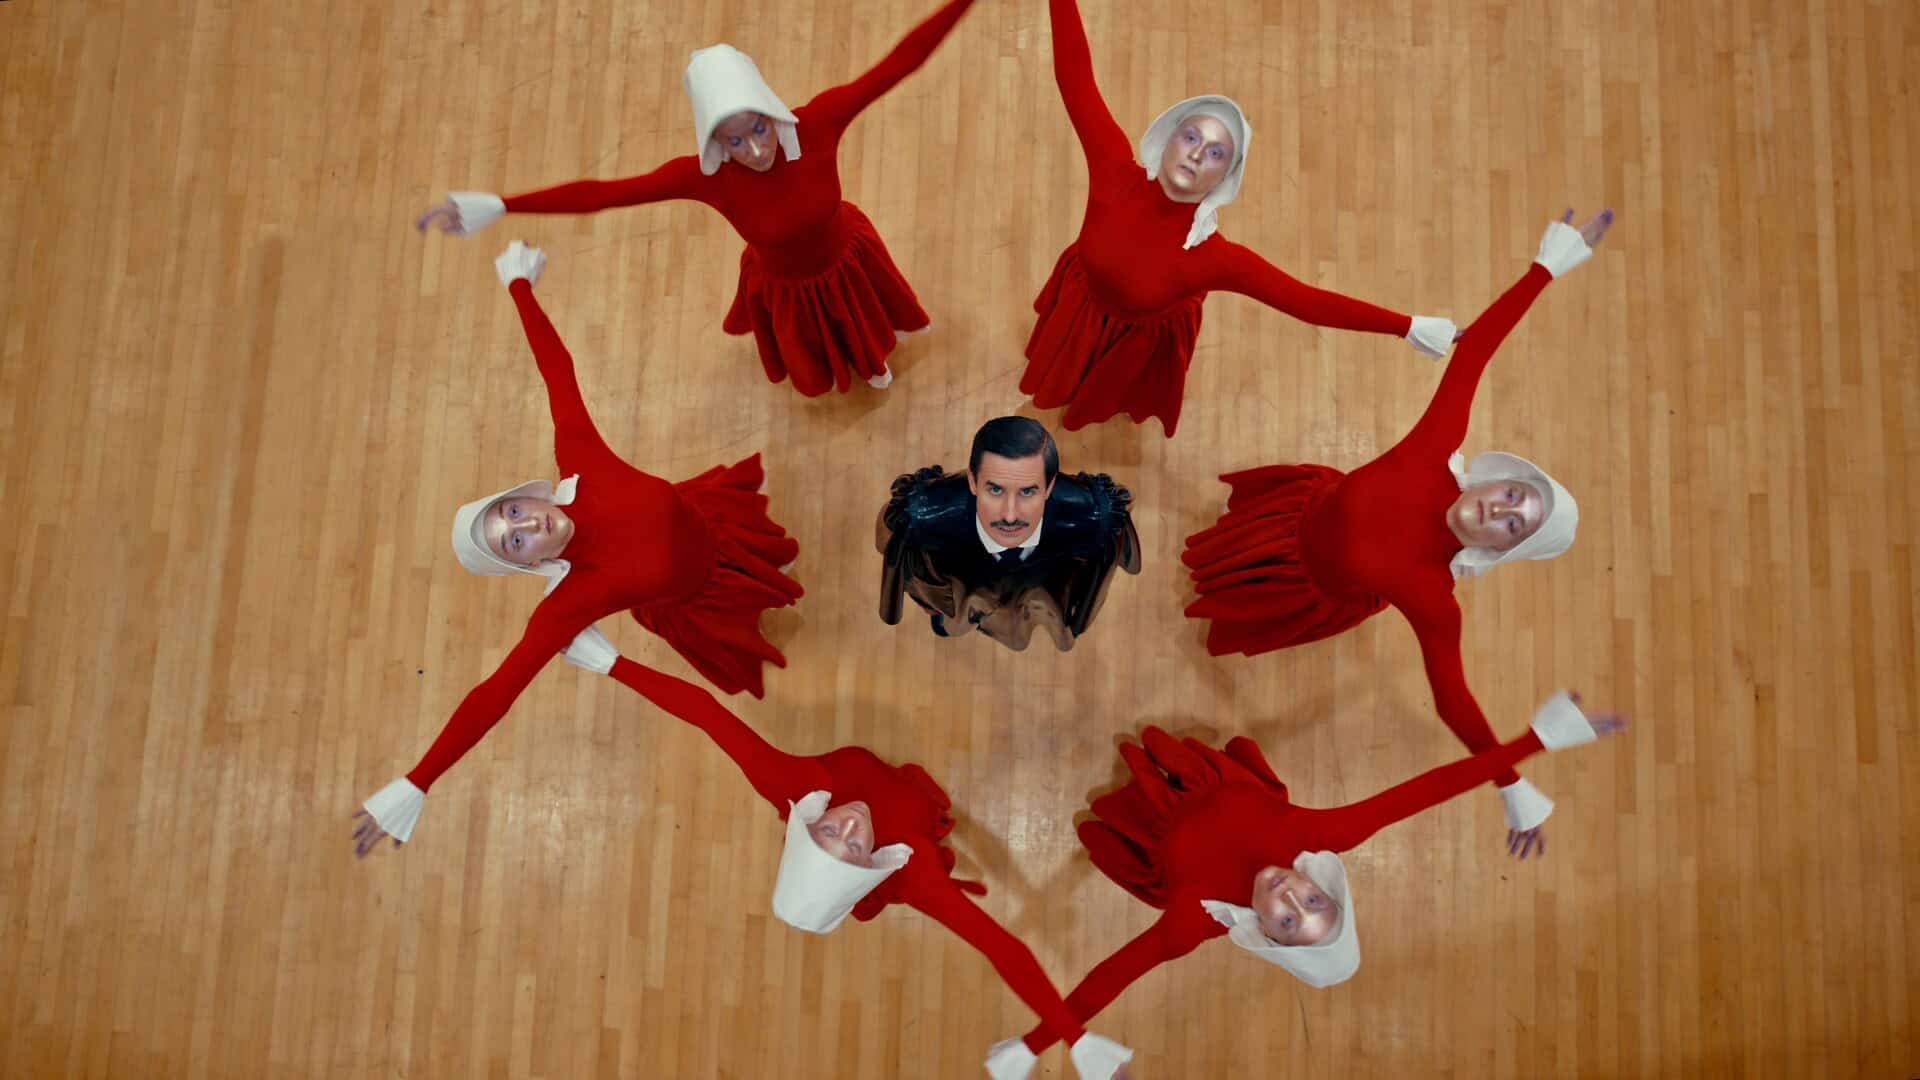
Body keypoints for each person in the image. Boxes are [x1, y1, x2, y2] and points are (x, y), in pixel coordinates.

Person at [1184, 210, 1615, 852]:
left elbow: (1453, 701)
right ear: (1499, 479)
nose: (1500, 512)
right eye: (1513, 497)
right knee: (1208, 548)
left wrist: (1510, 782)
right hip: (1291, 514)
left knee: (1208, 595)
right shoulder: (1435, 449)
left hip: (1297, 585)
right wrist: (1546, 268)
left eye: (1514, 526)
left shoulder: (1434, 598)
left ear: (1503, 549)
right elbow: (1477, 349)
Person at [351, 242, 802, 851]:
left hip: (715, 522)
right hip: (705, 594)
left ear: (523, 497)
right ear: (528, 562)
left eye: (512, 512)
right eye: (514, 541)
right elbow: (494, 694)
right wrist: (417, 782)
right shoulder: (570, 602)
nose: (527, 525)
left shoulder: (582, 462)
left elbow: (555, 372)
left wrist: (519, 288)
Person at [553, 629, 1137, 1080]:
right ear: (870, 864)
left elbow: (705, 713)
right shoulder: (912, 872)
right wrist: (1077, 1041)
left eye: (827, 832)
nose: (851, 825)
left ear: (806, 825)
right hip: (916, 813)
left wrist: (610, 662)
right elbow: (1001, 947)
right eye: (854, 847)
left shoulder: (792, 785)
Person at [984, 696, 1627, 1076]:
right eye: (1314, 900)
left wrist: (1043, 1044)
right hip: (1216, 784)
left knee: (1120, 806)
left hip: (1161, 825)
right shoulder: (1316, 838)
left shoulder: (1195, 920)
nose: (1288, 891)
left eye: (1289, 919)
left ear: (1267, 936)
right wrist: (1539, 741)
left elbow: (1111, 976)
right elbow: (1425, 791)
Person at [415, 0, 977, 397]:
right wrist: (502, 204)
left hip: (848, 262)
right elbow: (602, 195)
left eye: (759, 129)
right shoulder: (703, 178)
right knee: (818, 344)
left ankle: (872, 362)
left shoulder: (820, 122)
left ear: (770, 112)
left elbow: (903, 60)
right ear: (713, 141)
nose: (755, 150)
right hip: (784, 290)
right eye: (733, 141)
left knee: (865, 327)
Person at [1019, 0, 1459, 436]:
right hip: (1082, 305)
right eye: (1191, 137)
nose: (1196, 154)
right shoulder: (1113, 168)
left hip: (1136, 339)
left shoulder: (1215, 258)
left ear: (1225, 177)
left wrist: (1408, 327)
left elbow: (1307, 302)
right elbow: (1074, 77)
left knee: (1103, 391)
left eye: (1216, 153)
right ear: (1168, 138)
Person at [878, 416, 1140, 651]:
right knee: (953, 618)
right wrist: (931, 603)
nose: (1010, 515)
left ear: (1049, 488)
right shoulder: (923, 516)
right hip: (963, 587)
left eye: (1027, 491)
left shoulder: (1095, 517)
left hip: (1038, 591)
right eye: (995, 490)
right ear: (972, 482)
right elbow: (906, 564)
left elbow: (1098, 574)